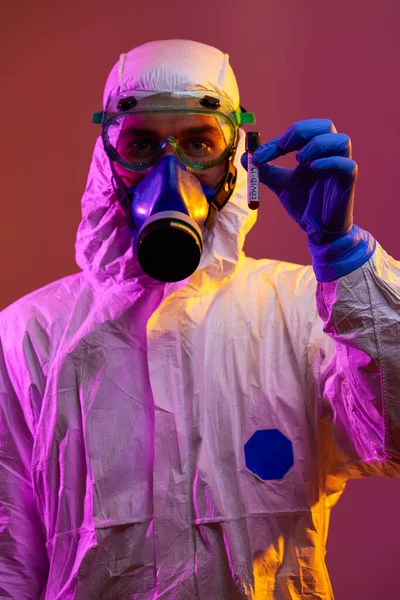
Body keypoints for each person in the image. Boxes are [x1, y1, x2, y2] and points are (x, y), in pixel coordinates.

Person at [0, 39, 399, 600]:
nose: (171, 172)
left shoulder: (307, 310)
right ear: (108, 159)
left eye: (197, 144)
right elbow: (9, 564)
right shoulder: (28, 338)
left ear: (236, 158)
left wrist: (345, 259)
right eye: (141, 145)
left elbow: (396, 437)